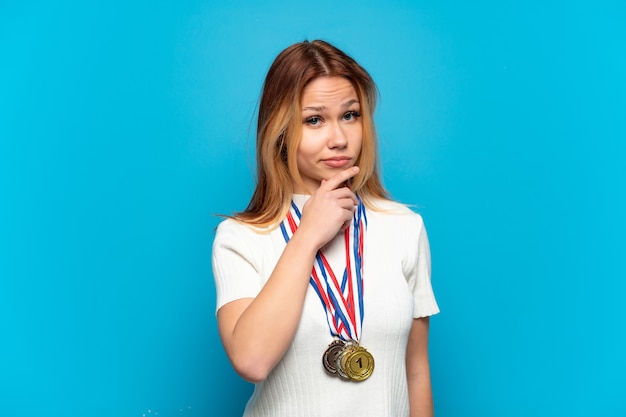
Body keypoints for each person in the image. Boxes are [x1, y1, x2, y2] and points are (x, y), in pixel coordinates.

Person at [212, 39, 439, 417]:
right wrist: (307, 235)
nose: (339, 138)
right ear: (281, 131)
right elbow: (251, 360)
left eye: (350, 115)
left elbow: (416, 372)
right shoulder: (241, 238)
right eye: (314, 119)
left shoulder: (404, 227)